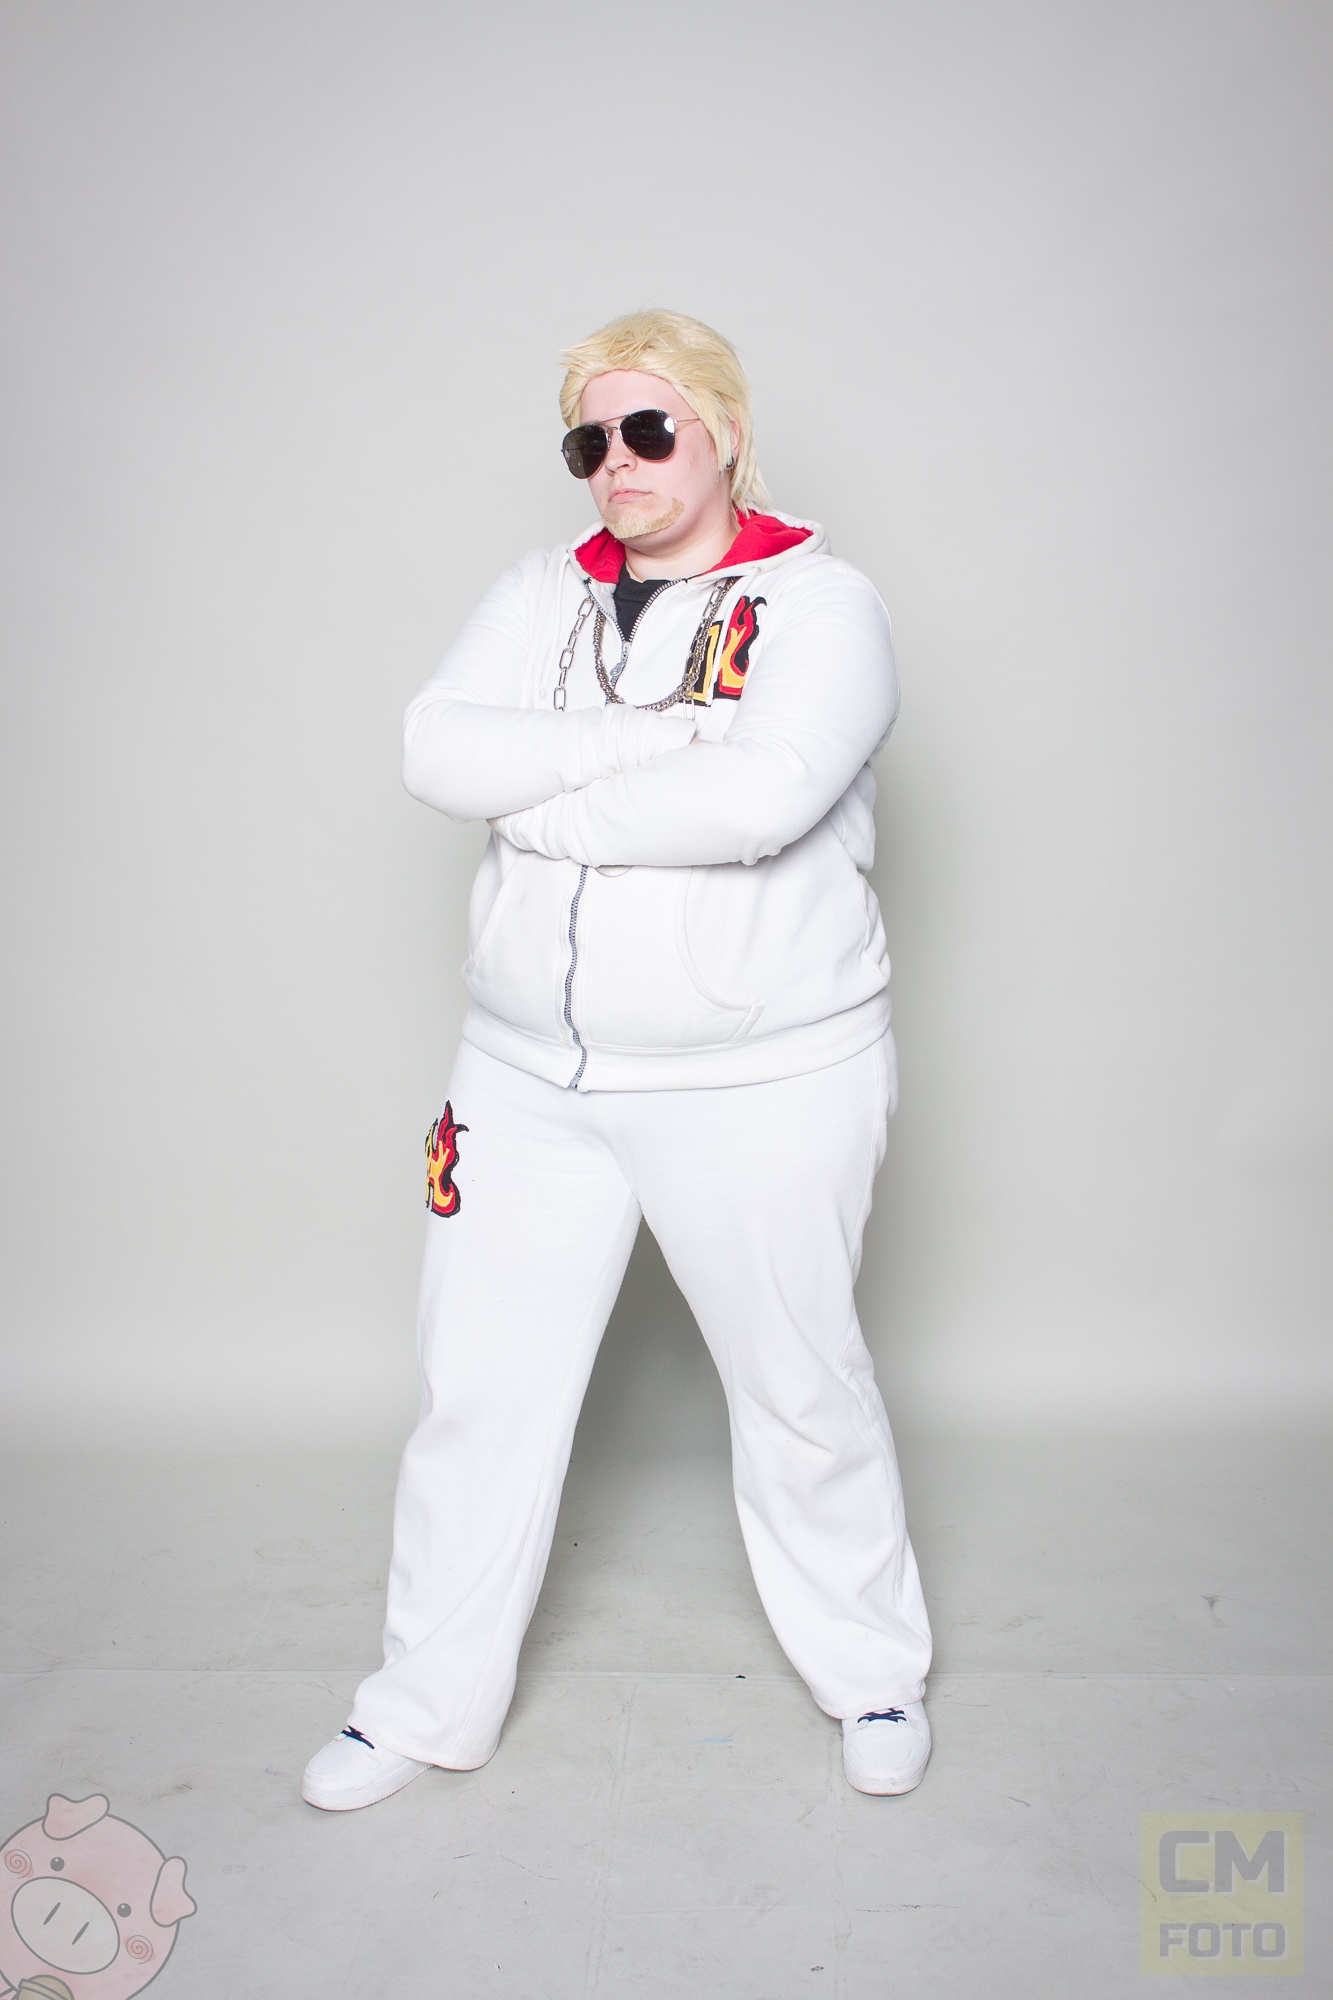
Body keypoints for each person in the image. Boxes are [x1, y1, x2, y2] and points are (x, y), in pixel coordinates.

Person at [301, 309, 934, 1812]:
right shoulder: (541, 592)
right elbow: (437, 750)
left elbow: (761, 800)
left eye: (649, 429)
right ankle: (422, 1706)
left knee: (800, 1386)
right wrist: (659, 743)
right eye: (589, 440)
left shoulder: (822, 602)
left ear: (724, 431)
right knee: (478, 1395)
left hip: (761, 1078)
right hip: (526, 1075)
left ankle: (872, 1672)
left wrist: (543, 791)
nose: (616, 464)